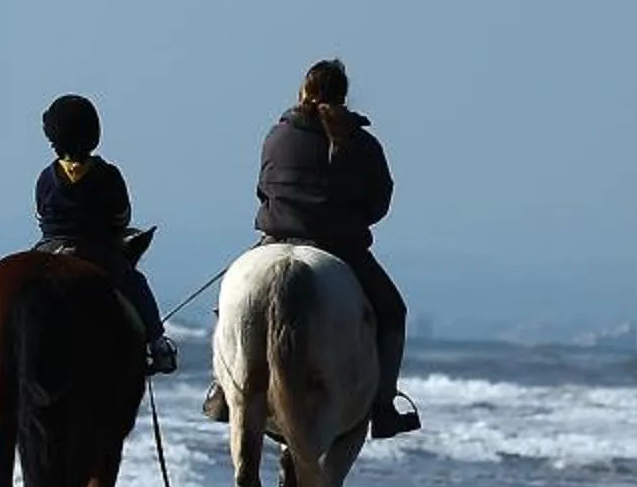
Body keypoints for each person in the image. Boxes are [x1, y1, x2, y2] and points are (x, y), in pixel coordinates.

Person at [209, 57, 419, 437]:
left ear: (303, 90)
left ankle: (224, 389)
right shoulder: (363, 143)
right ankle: (384, 406)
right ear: (344, 95)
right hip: (341, 247)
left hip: (278, 236)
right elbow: (379, 203)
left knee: (227, 304)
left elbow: (263, 188)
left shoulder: (278, 135)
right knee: (392, 313)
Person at [33, 94, 178, 376]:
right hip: (96, 250)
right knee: (135, 282)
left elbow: (41, 216)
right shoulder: (108, 174)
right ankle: (158, 345)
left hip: (49, 247)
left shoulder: (45, 176)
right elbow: (121, 216)